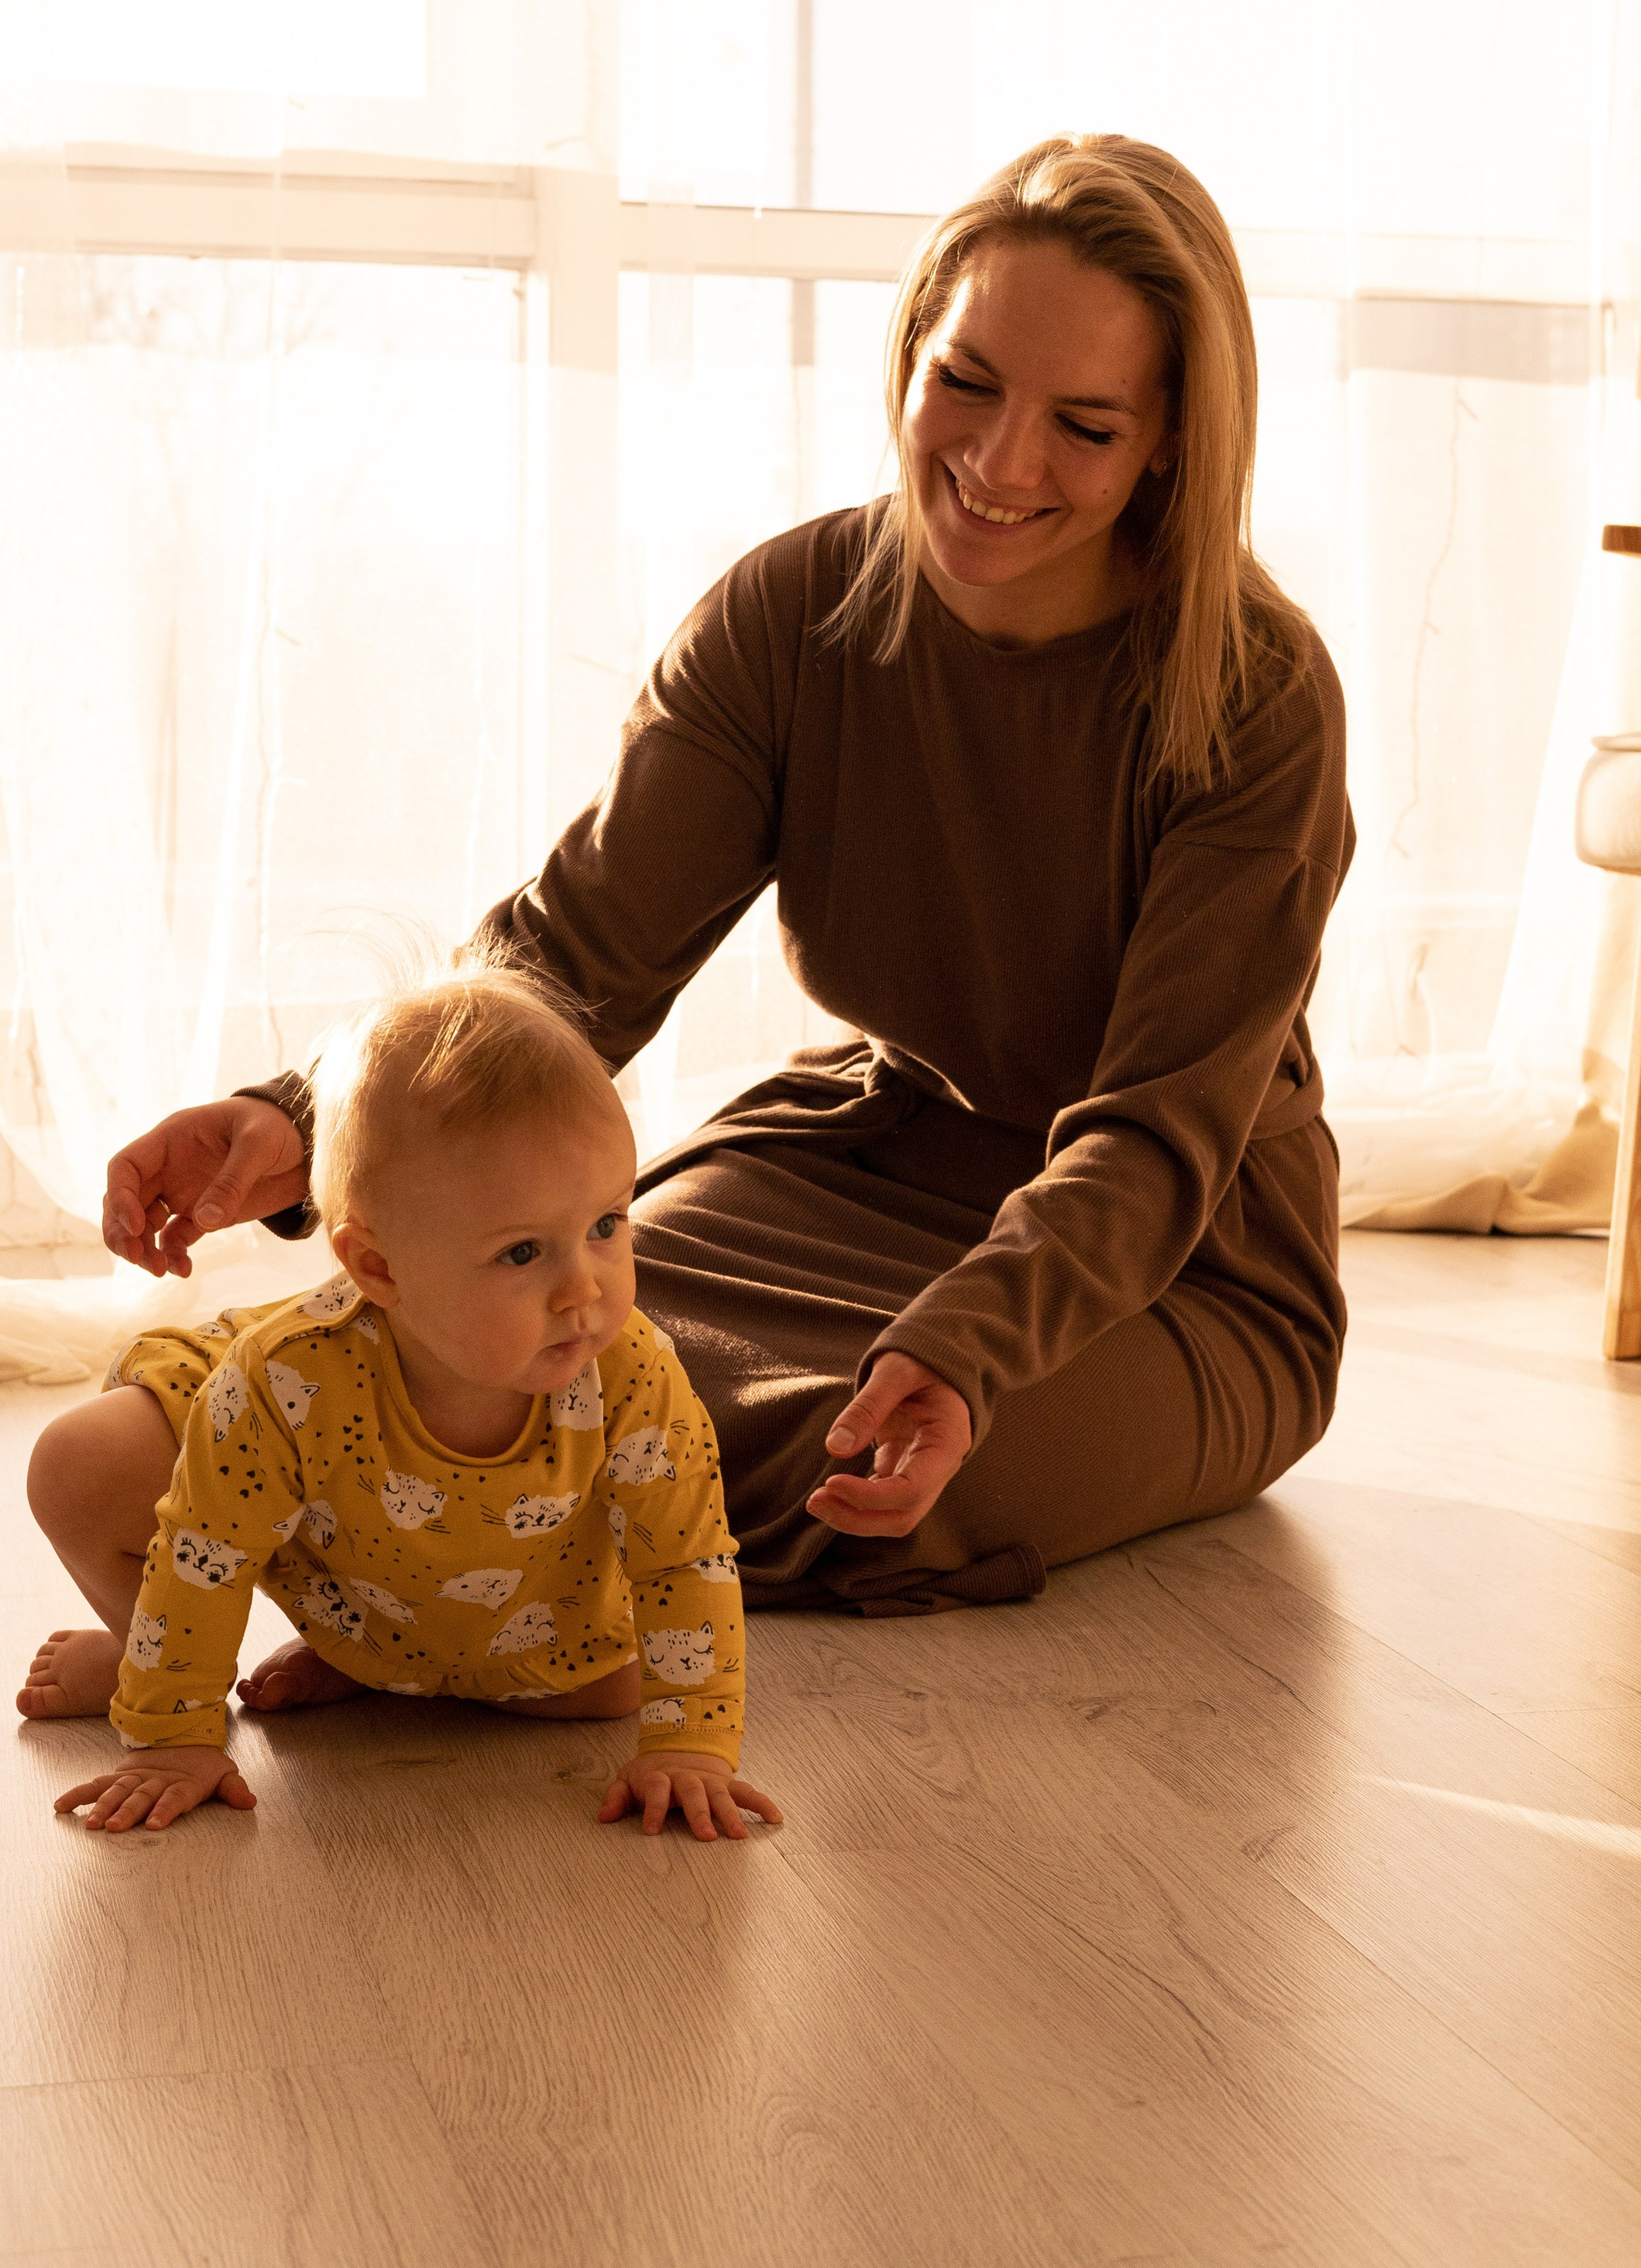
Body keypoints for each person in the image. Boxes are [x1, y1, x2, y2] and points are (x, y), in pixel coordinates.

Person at [100, 132, 1354, 1680]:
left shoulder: (1256, 695)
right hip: (859, 1161)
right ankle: (318, 1512)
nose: (999, 460)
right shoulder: (792, 613)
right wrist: (299, 1116)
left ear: (1166, 442)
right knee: (491, 1345)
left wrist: (961, 1346)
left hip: (1181, 1257)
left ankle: (414, 1611)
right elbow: (572, 954)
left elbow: (1159, 1130)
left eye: (1081, 424)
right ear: (910, 351)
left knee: (851, 1471)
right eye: (963, 381)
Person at [26, 966, 782, 1842]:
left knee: (613, 1689)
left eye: (607, 1224)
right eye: (523, 1252)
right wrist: (170, 1734)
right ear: (377, 1269)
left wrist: (691, 1744)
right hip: (341, 1575)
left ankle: (376, 1670)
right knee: (77, 1464)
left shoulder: (629, 1370)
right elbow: (208, 1553)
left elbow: (684, 1562)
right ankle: (149, 1657)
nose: (586, 1290)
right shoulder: (284, 1377)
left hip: (539, 1636)